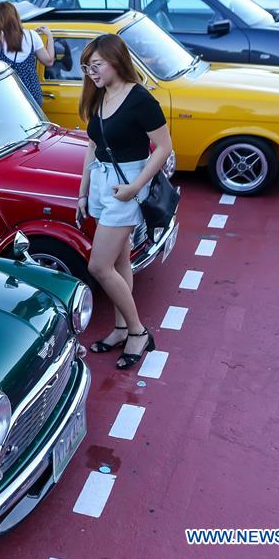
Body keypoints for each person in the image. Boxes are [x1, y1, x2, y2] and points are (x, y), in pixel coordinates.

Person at [75, 34, 172, 370]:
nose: (91, 73)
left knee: (98, 266)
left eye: (96, 65)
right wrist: (83, 191)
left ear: (115, 60)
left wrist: (135, 186)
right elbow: (92, 145)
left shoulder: (140, 99)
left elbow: (163, 147)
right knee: (118, 264)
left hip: (126, 186)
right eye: (87, 67)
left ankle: (137, 331)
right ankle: (119, 329)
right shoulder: (101, 96)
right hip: (103, 184)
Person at [0, 1, 54, 105]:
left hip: (8, 95)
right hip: (33, 94)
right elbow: (49, 61)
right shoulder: (32, 35)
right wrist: (49, 36)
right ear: (16, 15)